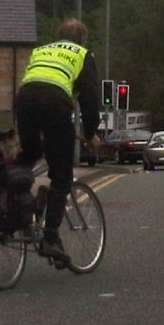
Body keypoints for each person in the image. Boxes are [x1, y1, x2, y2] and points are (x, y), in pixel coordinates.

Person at [14, 18, 100, 264]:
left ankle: (12, 202)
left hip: (25, 100)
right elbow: (90, 99)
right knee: (61, 174)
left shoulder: (41, 50)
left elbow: (36, 82)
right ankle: (50, 237)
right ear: (82, 39)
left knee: (30, 153)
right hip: (54, 104)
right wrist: (91, 133)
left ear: (58, 35)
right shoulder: (83, 54)